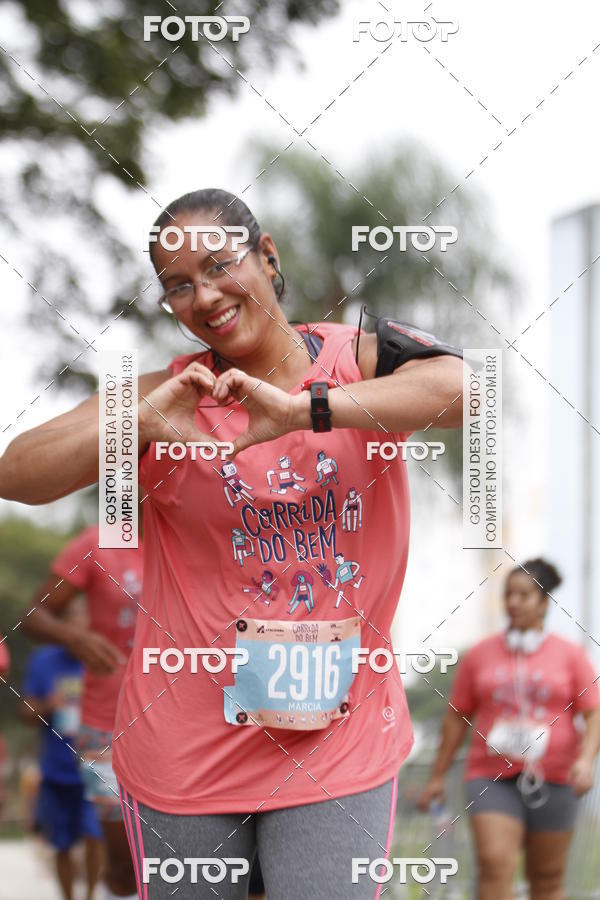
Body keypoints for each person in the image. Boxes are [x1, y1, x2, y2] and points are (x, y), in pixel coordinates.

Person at [0, 187, 463, 899]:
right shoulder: (168, 396)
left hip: (334, 743)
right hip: (184, 749)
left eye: (220, 265)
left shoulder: (356, 361)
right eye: (178, 286)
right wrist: (143, 423)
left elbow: (469, 391)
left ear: (267, 255)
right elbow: (17, 472)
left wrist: (309, 408)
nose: (205, 295)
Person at [419, 558, 600, 900]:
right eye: (509, 595)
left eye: (524, 595)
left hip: (557, 779)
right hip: (490, 777)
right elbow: (457, 717)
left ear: (544, 603)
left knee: (546, 877)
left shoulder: (571, 656)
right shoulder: (480, 655)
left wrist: (587, 760)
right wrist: (437, 776)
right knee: (494, 862)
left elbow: (593, 715)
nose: (513, 603)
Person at [22, 523, 143, 900]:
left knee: (177, 860)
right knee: (123, 865)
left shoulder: (198, 527)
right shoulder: (104, 538)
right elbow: (33, 614)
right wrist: (76, 638)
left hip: (182, 725)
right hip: (102, 728)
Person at [21, 598, 103, 900]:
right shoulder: (43, 660)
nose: (78, 626)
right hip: (57, 768)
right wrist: (47, 705)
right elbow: (25, 711)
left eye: (84, 619)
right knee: (62, 843)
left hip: (97, 767)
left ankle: (92, 894)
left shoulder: (102, 657)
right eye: (70, 619)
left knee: (96, 836)